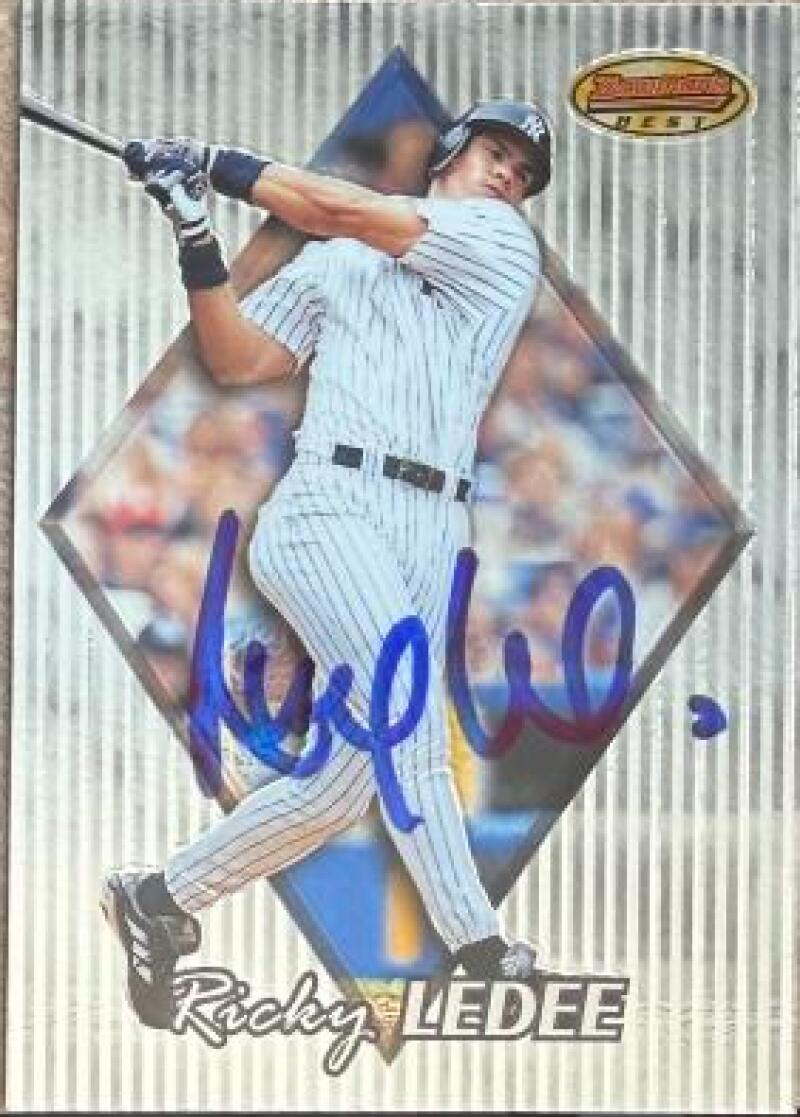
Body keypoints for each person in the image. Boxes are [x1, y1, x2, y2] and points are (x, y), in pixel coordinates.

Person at [101, 100, 553, 1030]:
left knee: (343, 787)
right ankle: (477, 943)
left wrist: (215, 161)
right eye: (496, 152)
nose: (508, 175)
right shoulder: (339, 260)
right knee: (406, 697)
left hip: (434, 523)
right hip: (328, 504)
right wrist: (195, 235)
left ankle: (159, 897)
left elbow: (342, 207)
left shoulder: (499, 243)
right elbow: (239, 358)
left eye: (523, 171)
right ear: (452, 152)